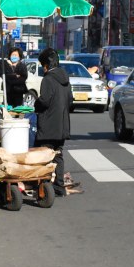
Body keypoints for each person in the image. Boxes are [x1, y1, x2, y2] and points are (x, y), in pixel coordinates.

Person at [33, 48, 81, 196]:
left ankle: (43, 186)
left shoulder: (47, 79)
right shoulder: (65, 79)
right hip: (62, 125)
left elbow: (45, 101)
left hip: (48, 125)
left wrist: (36, 104)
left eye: (43, 65)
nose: (43, 68)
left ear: (46, 64)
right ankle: (59, 187)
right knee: (58, 155)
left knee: (43, 155)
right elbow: (70, 100)